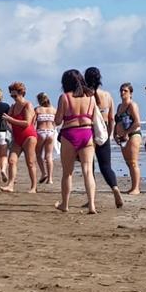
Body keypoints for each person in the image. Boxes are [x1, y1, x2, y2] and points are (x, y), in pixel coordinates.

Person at [54, 70, 97, 214]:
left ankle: (65, 204)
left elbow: (58, 121)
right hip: (87, 132)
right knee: (88, 171)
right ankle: (91, 205)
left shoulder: (65, 97)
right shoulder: (91, 97)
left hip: (70, 133)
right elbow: (94, 117)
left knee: (67, 172)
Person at [85, 67, 124, 208]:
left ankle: (91, 200)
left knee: (89, 166)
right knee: (106, 166)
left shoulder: (85, 95)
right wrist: (110, 133)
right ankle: (115, 188)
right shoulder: (107, 95)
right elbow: (112, 118)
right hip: (103, 132)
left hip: (89, 131)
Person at [0, 82, 38, 193]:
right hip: (17, 137)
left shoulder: (28, 105)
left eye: (15, 96)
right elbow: (8, 120)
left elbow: (27, 122)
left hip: (29, 137)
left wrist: (10, 120)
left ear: (22, 93)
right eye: (11, 96)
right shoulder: (13, 106)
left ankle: (34, 187)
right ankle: (10, 185)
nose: (13, 98)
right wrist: (8, 125)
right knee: (11, 161)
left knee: (30, 162)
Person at [114, 82, 142, 195]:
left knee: (133, 162)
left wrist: (126, 133)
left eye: (125, 91)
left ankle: (136, 188)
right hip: (122, 137)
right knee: (128, 162)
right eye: (121, 90)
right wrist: (114, 134)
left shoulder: (132, 105)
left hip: (133, 135)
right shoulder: (120, 106)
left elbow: (137, 122)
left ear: (130, 93)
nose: (122, 93)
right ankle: (132, 186)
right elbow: (117, 122)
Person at [35, 92, 57, 185]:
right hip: (51, 132)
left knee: (38, 153)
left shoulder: (37, 109)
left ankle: (44, 173)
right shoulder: (53, 109)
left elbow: (32, 123)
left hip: (41, 132)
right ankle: (50, 179)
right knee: (49, 156)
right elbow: (56, 123)